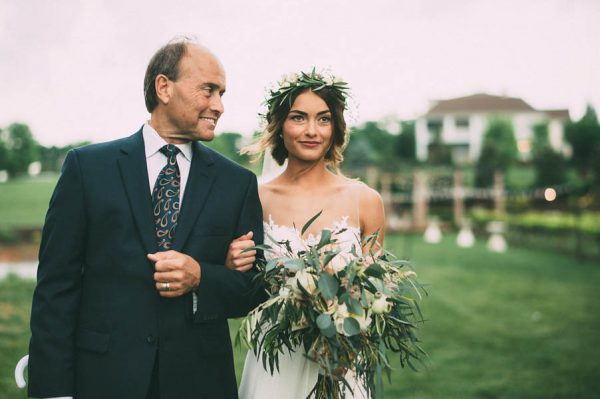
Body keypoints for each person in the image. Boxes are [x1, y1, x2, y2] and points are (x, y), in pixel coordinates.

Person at [27, 39, 264, 399]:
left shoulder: (238, 183)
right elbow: (55, 289)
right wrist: (53, 391)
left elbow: (254, 290)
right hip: (104, 380)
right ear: (164, 87)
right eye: (208, 90)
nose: (219, 105)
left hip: (200, 383)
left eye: (222, 93)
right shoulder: (88, 169)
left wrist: (202, 276)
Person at [226, 70, 385, 399]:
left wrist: (348, 338)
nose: (312, 130)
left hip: (342, 365)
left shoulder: (366, 201)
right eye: (299, 118)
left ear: (335, 128)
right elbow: (238, 289)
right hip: (276, 363)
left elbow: (375, 294)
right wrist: (231, 264)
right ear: (280, 126)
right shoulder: (252, 197)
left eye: (323, 119)